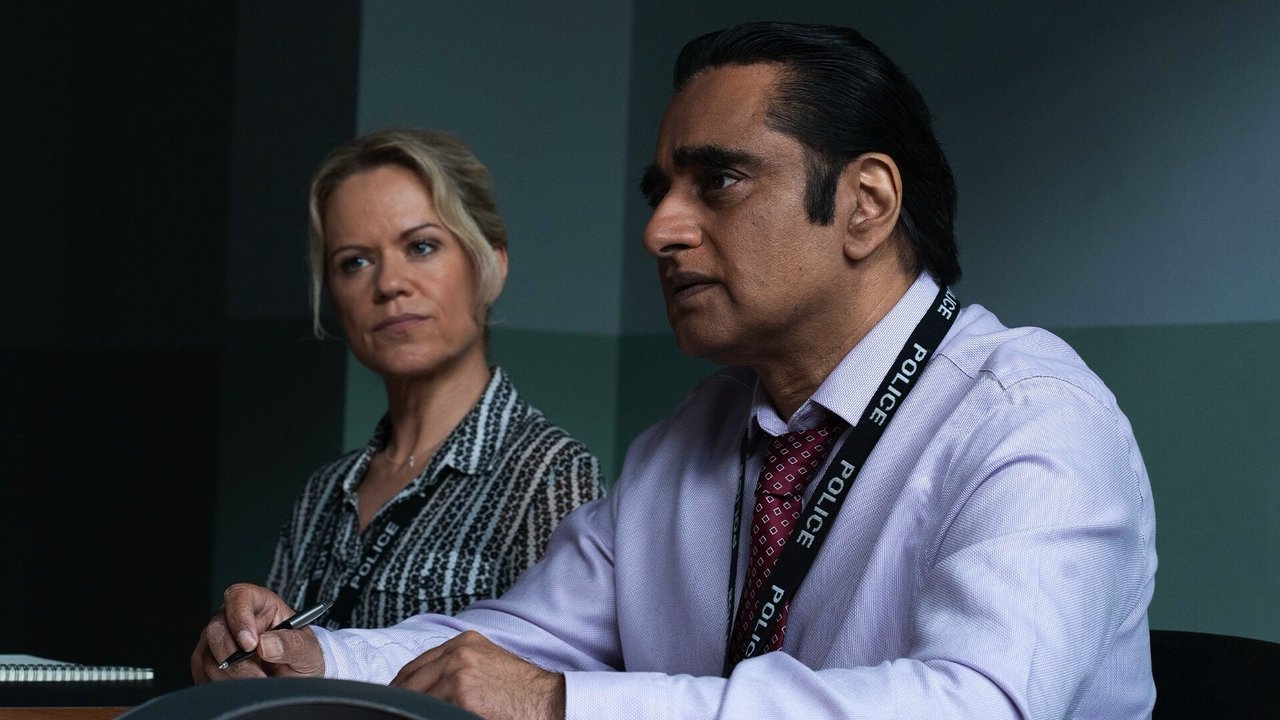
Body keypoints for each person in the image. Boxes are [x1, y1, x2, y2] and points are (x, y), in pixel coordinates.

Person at [193, 22, 1156, 720]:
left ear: (865, 203)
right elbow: (511, 644)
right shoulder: (682, 446)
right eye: (660, 192)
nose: (660, 230)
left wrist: (564, 706)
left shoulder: (1032, 418)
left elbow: (974, 706)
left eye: (719, 181)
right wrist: (311, 657)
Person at [220, 128, 603, 639]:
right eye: (355, 262)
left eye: (421, 246)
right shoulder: (322, 494)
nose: (388, 284)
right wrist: (243, 653)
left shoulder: (550, 476)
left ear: (490, 265)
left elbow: (550, 672)